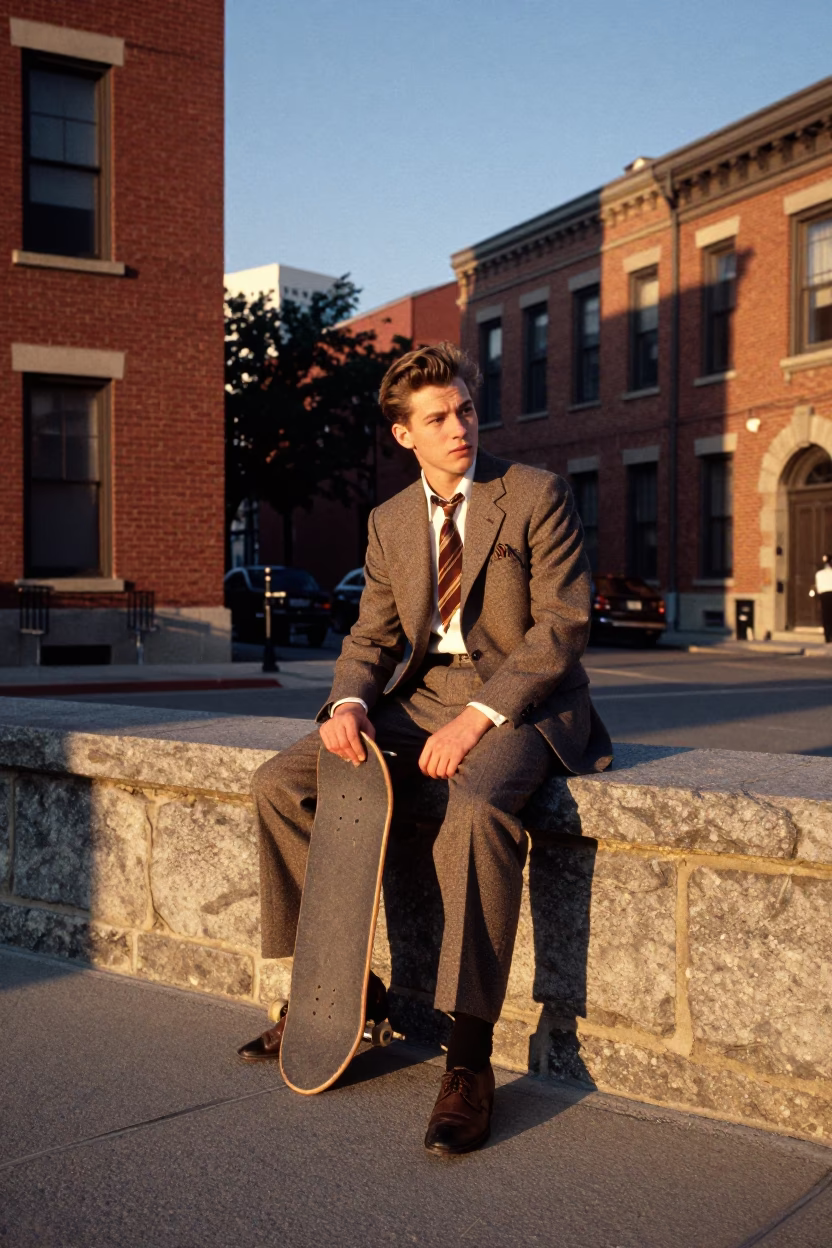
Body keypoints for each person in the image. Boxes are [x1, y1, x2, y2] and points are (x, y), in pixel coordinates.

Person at [238, 342, 612, 1155]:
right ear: (404, 435)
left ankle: (469, 1060)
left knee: (475, 810)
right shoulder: (389, 522)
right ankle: (333, 992)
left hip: (520, 703)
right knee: (279, 782)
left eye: (466, 410)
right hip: (414, 706)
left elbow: (561, 627)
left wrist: (477, 718)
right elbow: (371, 635)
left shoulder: (534, 495)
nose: (459, 428)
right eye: (438, 418)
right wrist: (345, 703)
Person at [809, 552, 832, 643]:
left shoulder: (819, 574)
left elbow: (818, 587)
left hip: (824, 595)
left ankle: (827, 636)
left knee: (826, 616)